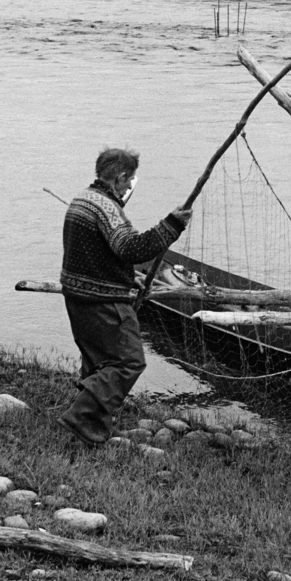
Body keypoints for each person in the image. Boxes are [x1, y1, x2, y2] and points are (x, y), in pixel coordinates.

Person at [57, 147, 191, 445]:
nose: (129, 187)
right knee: (128, 361)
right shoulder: (107, 210)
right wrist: (172, 225)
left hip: (75, 295)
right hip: (104, 301)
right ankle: (81, 416)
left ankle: (94, 429)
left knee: (99, 363)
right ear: (119, 178)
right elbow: (133, 250)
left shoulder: (81, 200)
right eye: (129, 181)